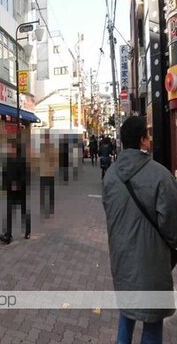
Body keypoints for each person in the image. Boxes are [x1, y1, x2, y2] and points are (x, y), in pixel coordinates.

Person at [102, 116, 177, 344]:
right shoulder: (161, 176)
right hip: (152, 263)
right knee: (152, 323)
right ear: (143, 140)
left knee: (127, 313)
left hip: (122, 261)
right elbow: (172, 226)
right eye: (148, 135)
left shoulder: (110, 176)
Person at [0, 139, 30, 244]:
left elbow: (25, 175)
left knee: (23, 212)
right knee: (9, 212)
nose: (8, 150)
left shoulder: (21, 160)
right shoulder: (7, 160)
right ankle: (8, 235)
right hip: (10, 191)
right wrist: (5, 185)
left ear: (15, 149)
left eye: (10, 148)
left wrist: (18, 184)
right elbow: (4, 174)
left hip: (20, 191)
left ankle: (27, 231)